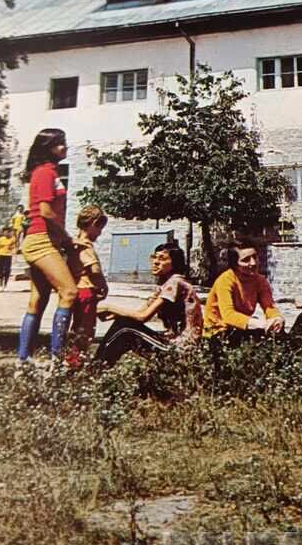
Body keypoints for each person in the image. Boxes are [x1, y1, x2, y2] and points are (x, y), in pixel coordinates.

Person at [16, 127, 77, 364]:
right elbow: (45, 212)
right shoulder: (44, 173)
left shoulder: (51, 172)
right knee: (69, 292)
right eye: (60, 143)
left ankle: (23, 359)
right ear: (48, 148)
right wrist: (67, 238)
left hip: (43, 239)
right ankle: (57, 359)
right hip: (41, 239)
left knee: (38, 299)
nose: (65, 147)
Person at [96, 242, 203, 364]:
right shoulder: (166, 283)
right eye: (154, 257)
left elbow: (143, 317)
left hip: (181, 348)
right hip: (171, 341)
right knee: (123, 323)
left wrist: (109, 307)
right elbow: (139, 312)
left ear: (175, 263)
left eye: (162, 259)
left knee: (126, 331)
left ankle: (96, 368)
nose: (156, 262)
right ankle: (97, 366)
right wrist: (113, 314)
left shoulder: (175, 283)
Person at [203, 240, 284, 345]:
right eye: (246, 260)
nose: (253, 263)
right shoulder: (225, 280)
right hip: (218, 332)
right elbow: (228, 315)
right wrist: (260, 324)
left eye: (255, 257)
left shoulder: (260, 280)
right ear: (235, 264)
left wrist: (276, 318)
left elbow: (269, 307)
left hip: (240, 329)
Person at [65, 205, 109, 366]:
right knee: (85, 329)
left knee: (76, 327)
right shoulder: (85, 246)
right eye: (99, 228)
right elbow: (94, 270)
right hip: (87, 290)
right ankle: (76, 360)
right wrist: (104, 286)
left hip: (76, 289)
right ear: (93, 223)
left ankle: (72, 358)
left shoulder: (73, 244)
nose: (100, 233)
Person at [0, 224, 17, 290]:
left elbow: (14, 247)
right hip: (0, 255)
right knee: (0, 270)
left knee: (7, 270)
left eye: (7, 232)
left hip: (8, 255)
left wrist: (14, 254)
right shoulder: (0, 239)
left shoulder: (12, 239)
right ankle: (0, 285)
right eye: (4, 232)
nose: (6, 233)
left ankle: (5, 285)